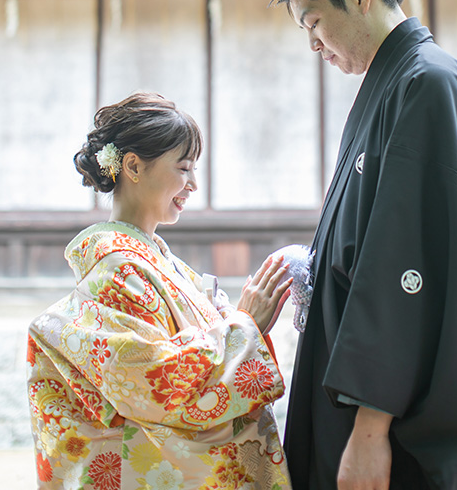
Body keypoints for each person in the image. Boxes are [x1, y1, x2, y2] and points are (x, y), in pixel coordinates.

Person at [270, 0, 457, 490]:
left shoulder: (428, 83)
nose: (313, 45)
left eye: (314, 23)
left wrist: (371, 430)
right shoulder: (392, 80)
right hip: (362, 392)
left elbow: (409, 263)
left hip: (394, 411)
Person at [27, 92, 293, 490]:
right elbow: (159, 384)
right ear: (133, 165)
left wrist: (239, 328)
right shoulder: (117, 268)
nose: (193, 184)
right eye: (184, 168)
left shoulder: (151, 261)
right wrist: (243, 328)